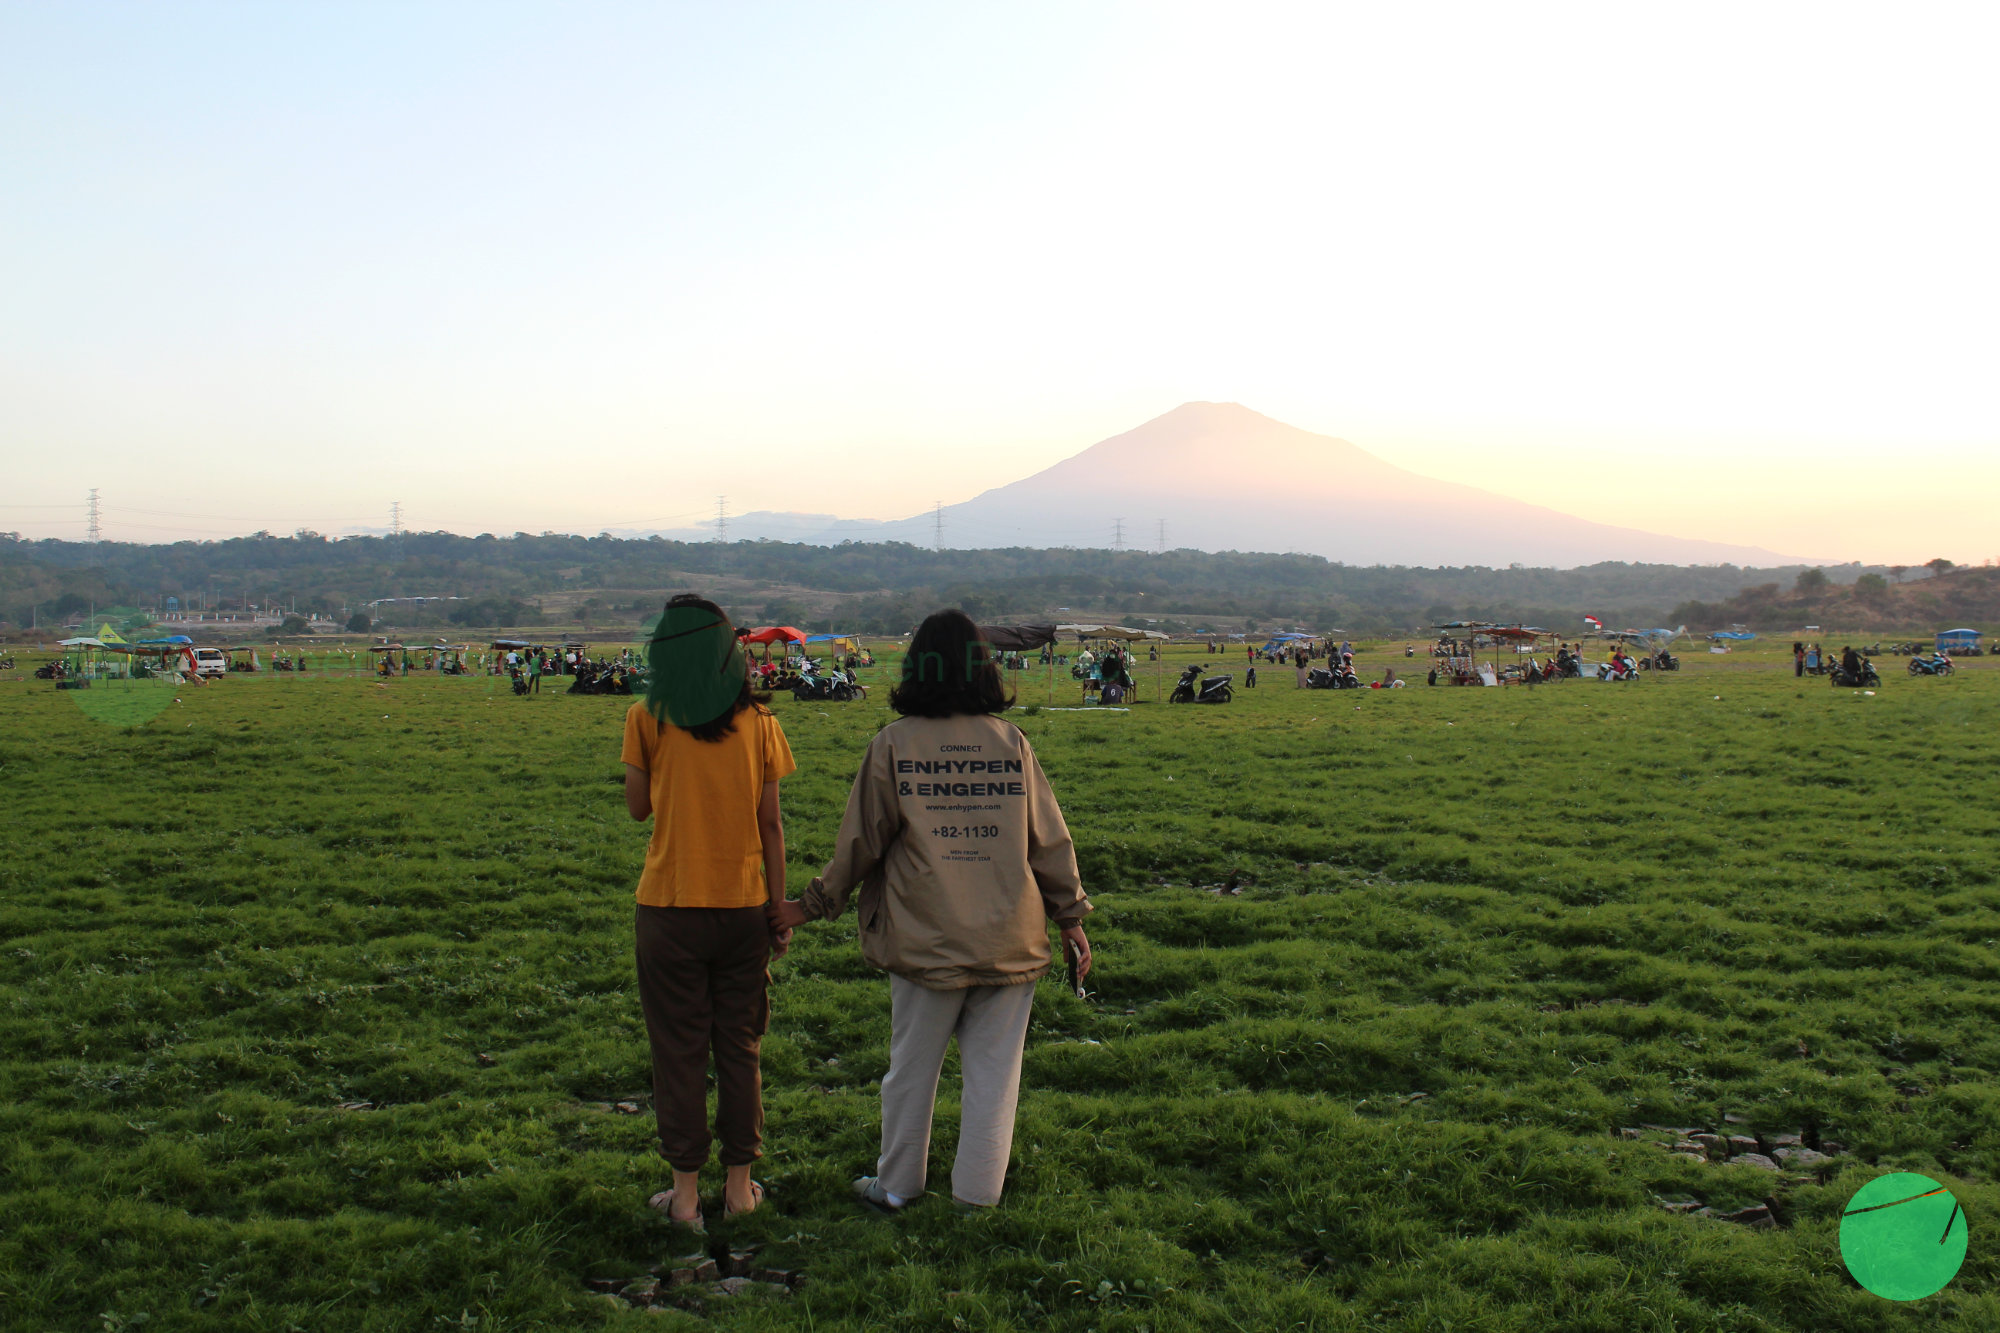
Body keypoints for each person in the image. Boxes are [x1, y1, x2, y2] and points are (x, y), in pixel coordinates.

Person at [767, 609, 1091, 1213]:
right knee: (996, 1080)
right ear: (982, 667)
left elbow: (859, 845)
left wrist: (807, 908)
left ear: (918, 665)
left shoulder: (894, 745)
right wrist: (1070, 917)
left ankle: (896, 1186)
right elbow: (1049, 840)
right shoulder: (1010, 742)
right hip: (1010, 938)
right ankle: (976, 1197)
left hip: (923, 939)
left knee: (910, 1073)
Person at [623, 594, 796, 1230]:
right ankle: (742, 1188)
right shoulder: (760, 724)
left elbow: (638, 810)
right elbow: (771, 825)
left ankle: (686, 1197)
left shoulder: (647, 716)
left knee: (678, 1052)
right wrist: (778, 910)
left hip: (668, 906)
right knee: (740, 1048)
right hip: (744, 907)